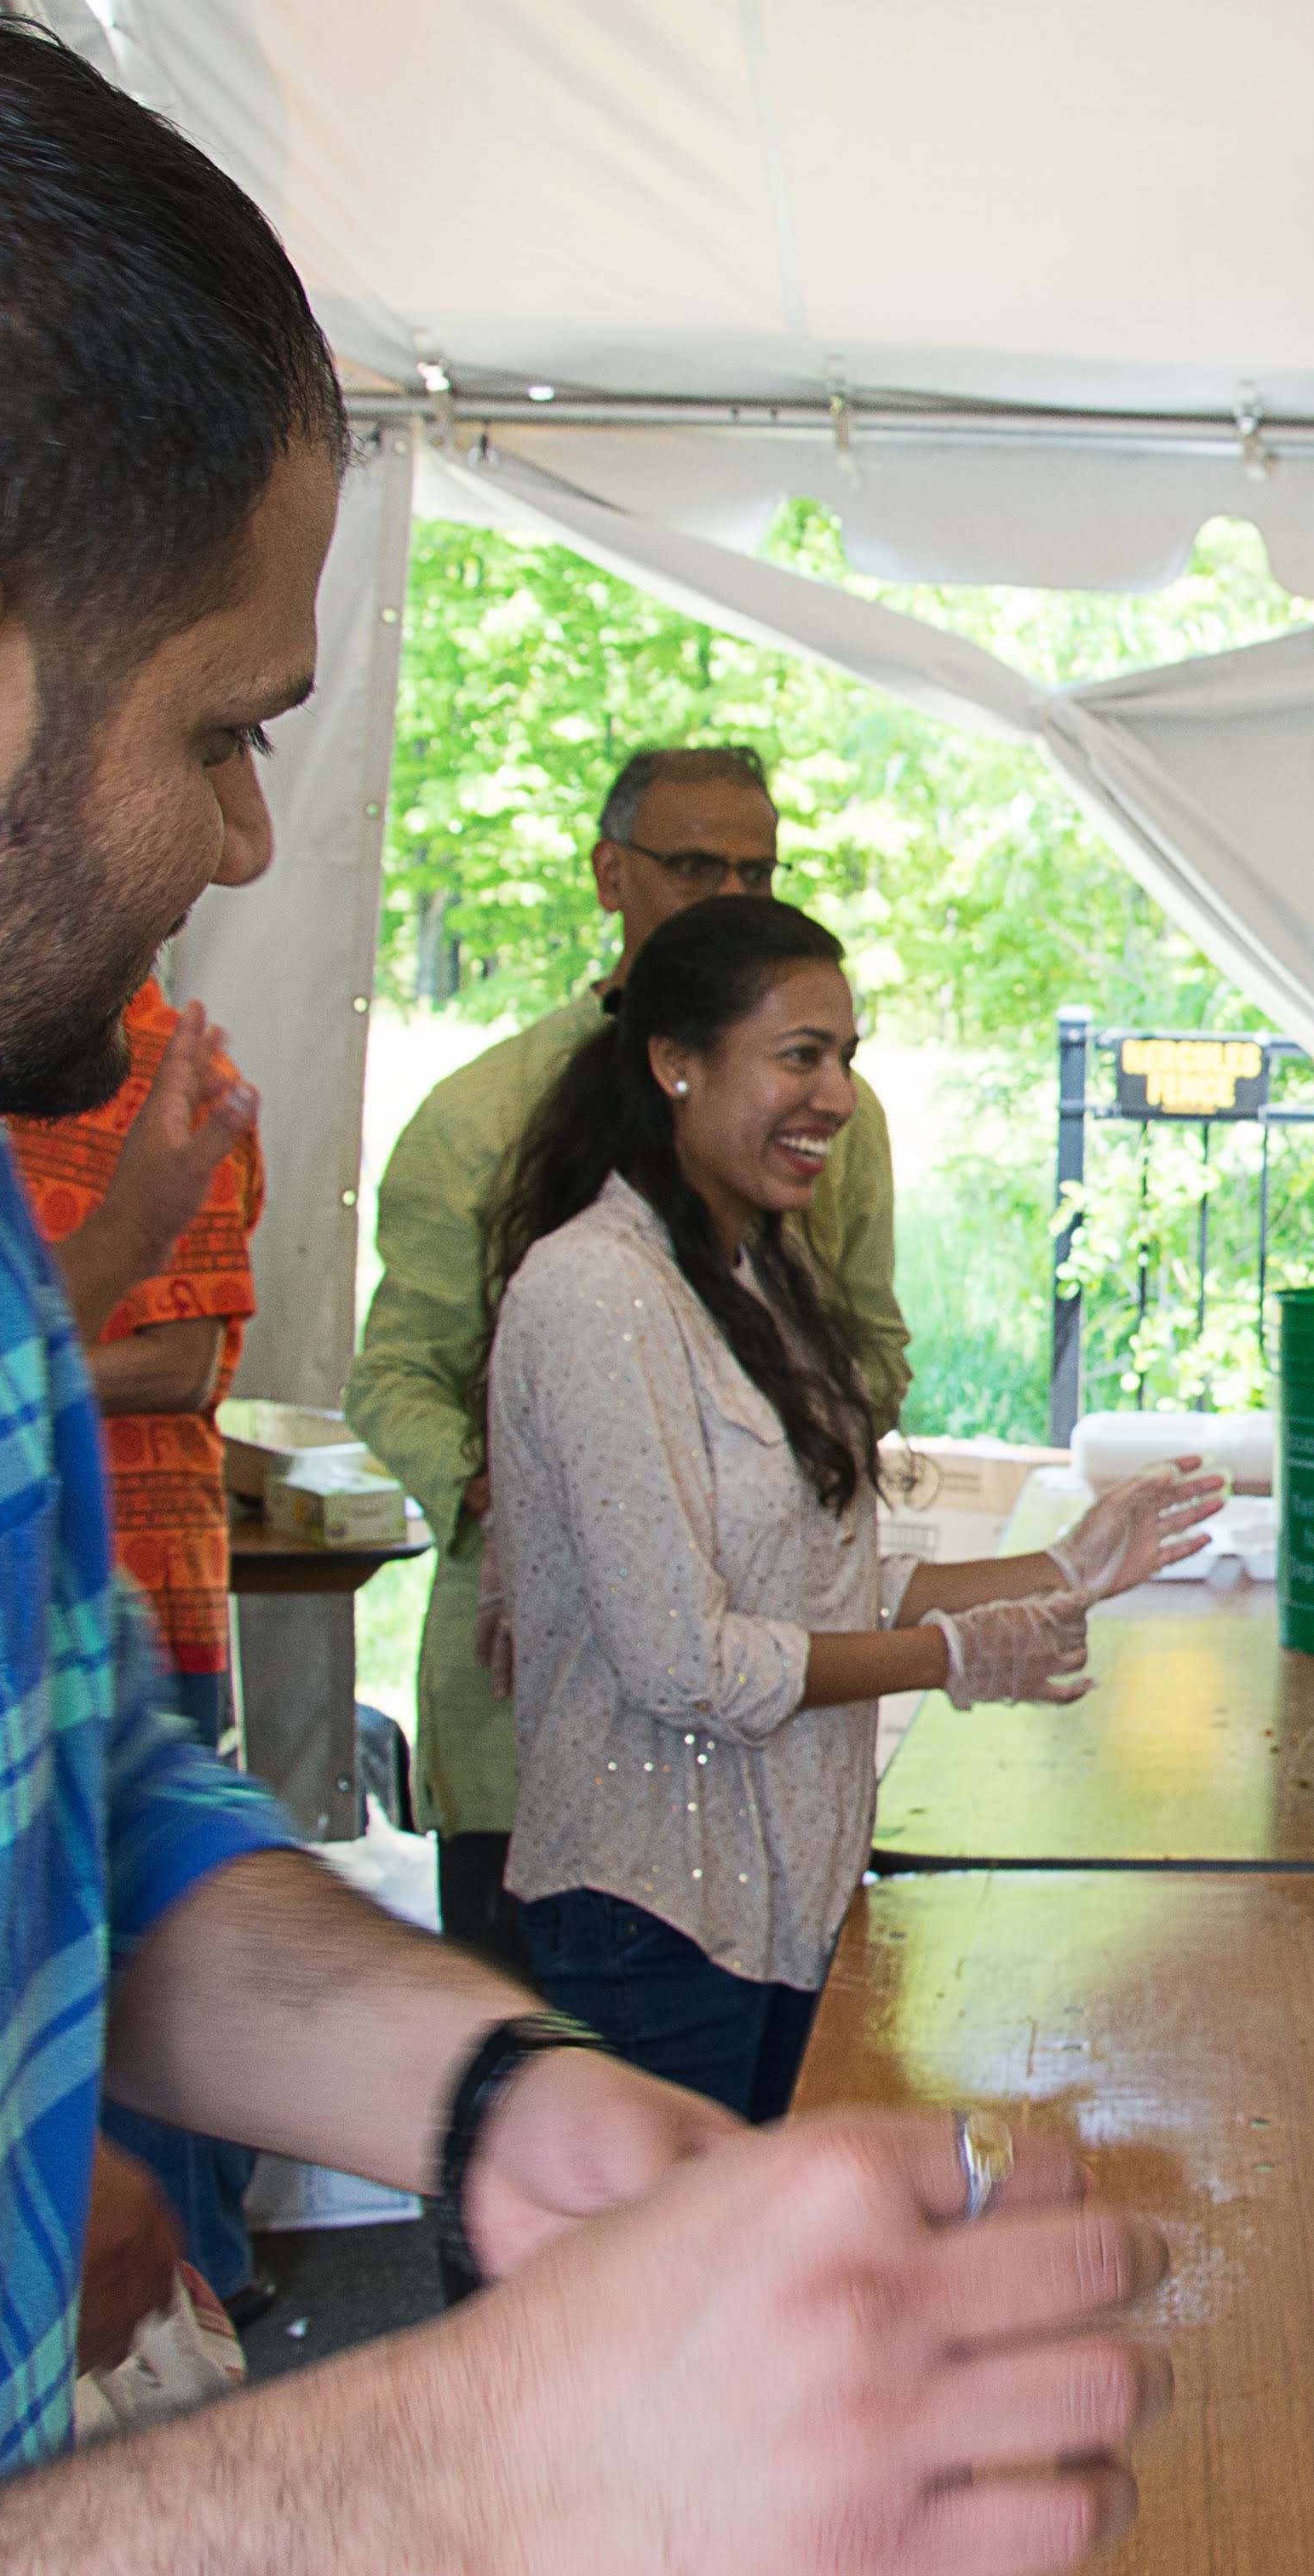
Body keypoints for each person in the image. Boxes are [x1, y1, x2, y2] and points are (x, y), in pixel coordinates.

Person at [0, 0, 1162, 2573]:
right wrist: (453, 2464)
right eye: (227, 729)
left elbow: (74, 1786)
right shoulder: (544, 1262)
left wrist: (490, 2090)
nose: (243, 837)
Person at [483, 897, 1225, 2120]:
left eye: (845, 1058)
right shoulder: (594, 1292)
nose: (834, 1096)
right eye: (799, 1057)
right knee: (702, 2244)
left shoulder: (755, 1266)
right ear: (674, 1061)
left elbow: (812, 1586)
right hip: (652, 1912)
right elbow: (685, 1662)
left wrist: (1061, 1568)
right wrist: (948, 1657)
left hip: (786, 1891)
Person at [349, 742, 913, 1978]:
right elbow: (391, 1376)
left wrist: (770, 1469)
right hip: (536, 1699)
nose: (730, 895)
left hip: (766, 1707)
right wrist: (523, 1498)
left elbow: (873, 1345)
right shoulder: (481, 1115)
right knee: (543, 2058)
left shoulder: (830, 1113)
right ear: (611, 875)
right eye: (695, 866)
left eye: (757, 871)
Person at [9, 978, 274, 2315]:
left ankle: (199, 2307)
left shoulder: (161, 1067)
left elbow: (183, 1363)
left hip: (140, 1577)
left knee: (151, 1970)